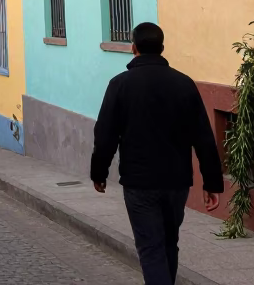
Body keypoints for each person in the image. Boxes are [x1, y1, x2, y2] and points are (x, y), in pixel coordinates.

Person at [90, 22, 223, 285]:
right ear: (162, 48)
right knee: (168, 243)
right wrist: (212, 183)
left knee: (150, 247)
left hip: (139, 183)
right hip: (176, 182)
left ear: (133, 48)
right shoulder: (184, 84)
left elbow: (105, 134)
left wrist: (99, 173)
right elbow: (204, 137)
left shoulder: (120, 85)